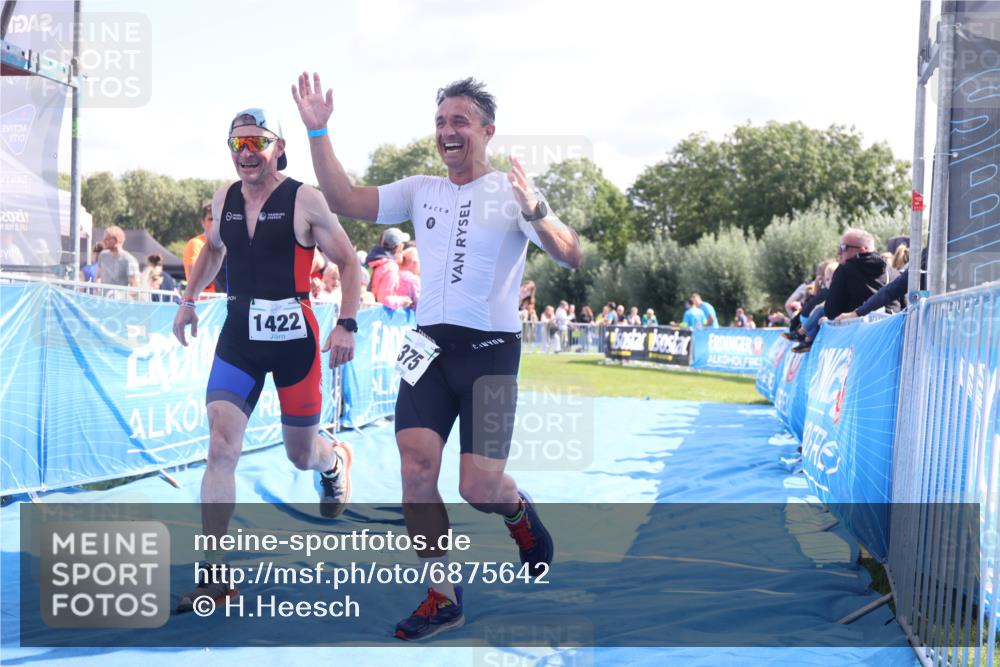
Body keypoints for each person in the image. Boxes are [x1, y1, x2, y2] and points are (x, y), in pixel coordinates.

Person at [294, 71, 582, 640]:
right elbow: (345, 198)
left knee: (479, 489)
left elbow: (572, 255)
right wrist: (319, 130)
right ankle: (442, 596)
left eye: (460, 122)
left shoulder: (512, 190)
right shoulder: (420, 188)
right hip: (428, 350)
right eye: (441, 122)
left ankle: (518, 512)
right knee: (416, 474)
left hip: (491, 356)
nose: (448, 132)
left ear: (487, 131)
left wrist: (538, 210)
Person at [171, 107, 362, 613]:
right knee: (220, 446)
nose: (247, 153)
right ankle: (215, 577)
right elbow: (213, 251)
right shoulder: (225, 198)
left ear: (278, 146)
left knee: (300, 455)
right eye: (238, 144)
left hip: (294, 339)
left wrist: (347, 322)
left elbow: (348, 260)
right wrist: (188, 301)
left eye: (257, 142)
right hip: (239, 337)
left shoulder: (304, 198)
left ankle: (333, 459)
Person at [366, 227, 414, 308]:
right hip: (379, 317)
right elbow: (385, 300)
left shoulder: (375, 261)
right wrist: (403, 301)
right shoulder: (391, 267)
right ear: (399, 247)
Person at [183, 204, 226, 294]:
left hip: (221, 300)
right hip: (203, 300)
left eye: (217, 219)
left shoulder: (225, 243)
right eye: (211, 219)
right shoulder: (195, 243)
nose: (214, 223)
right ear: (202, 222)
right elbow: (194, 276)